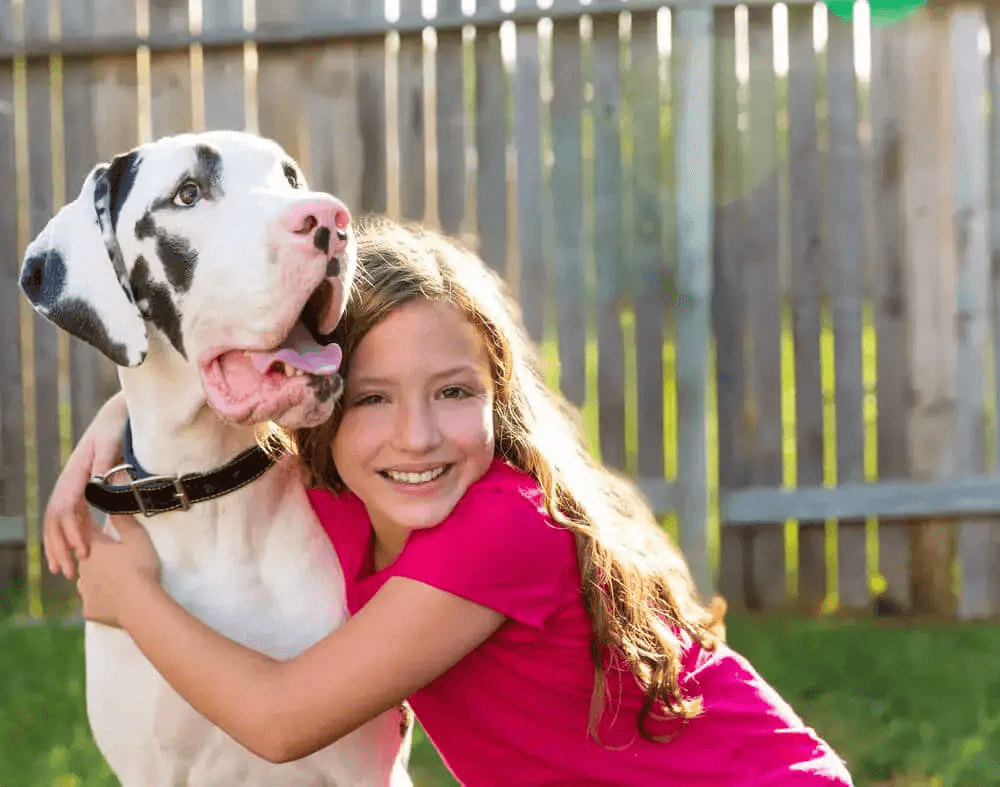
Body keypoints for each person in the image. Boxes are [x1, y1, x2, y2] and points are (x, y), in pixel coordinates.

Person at [45, 216, 853, 785]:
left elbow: (280, 721)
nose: (416, 436)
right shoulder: (360, 499)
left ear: (499, 394)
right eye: (371, 399)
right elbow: (213, 410)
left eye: (453, 391)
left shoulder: (503, 527)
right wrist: (112, 425)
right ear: (317, 404)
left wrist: (132, 596)